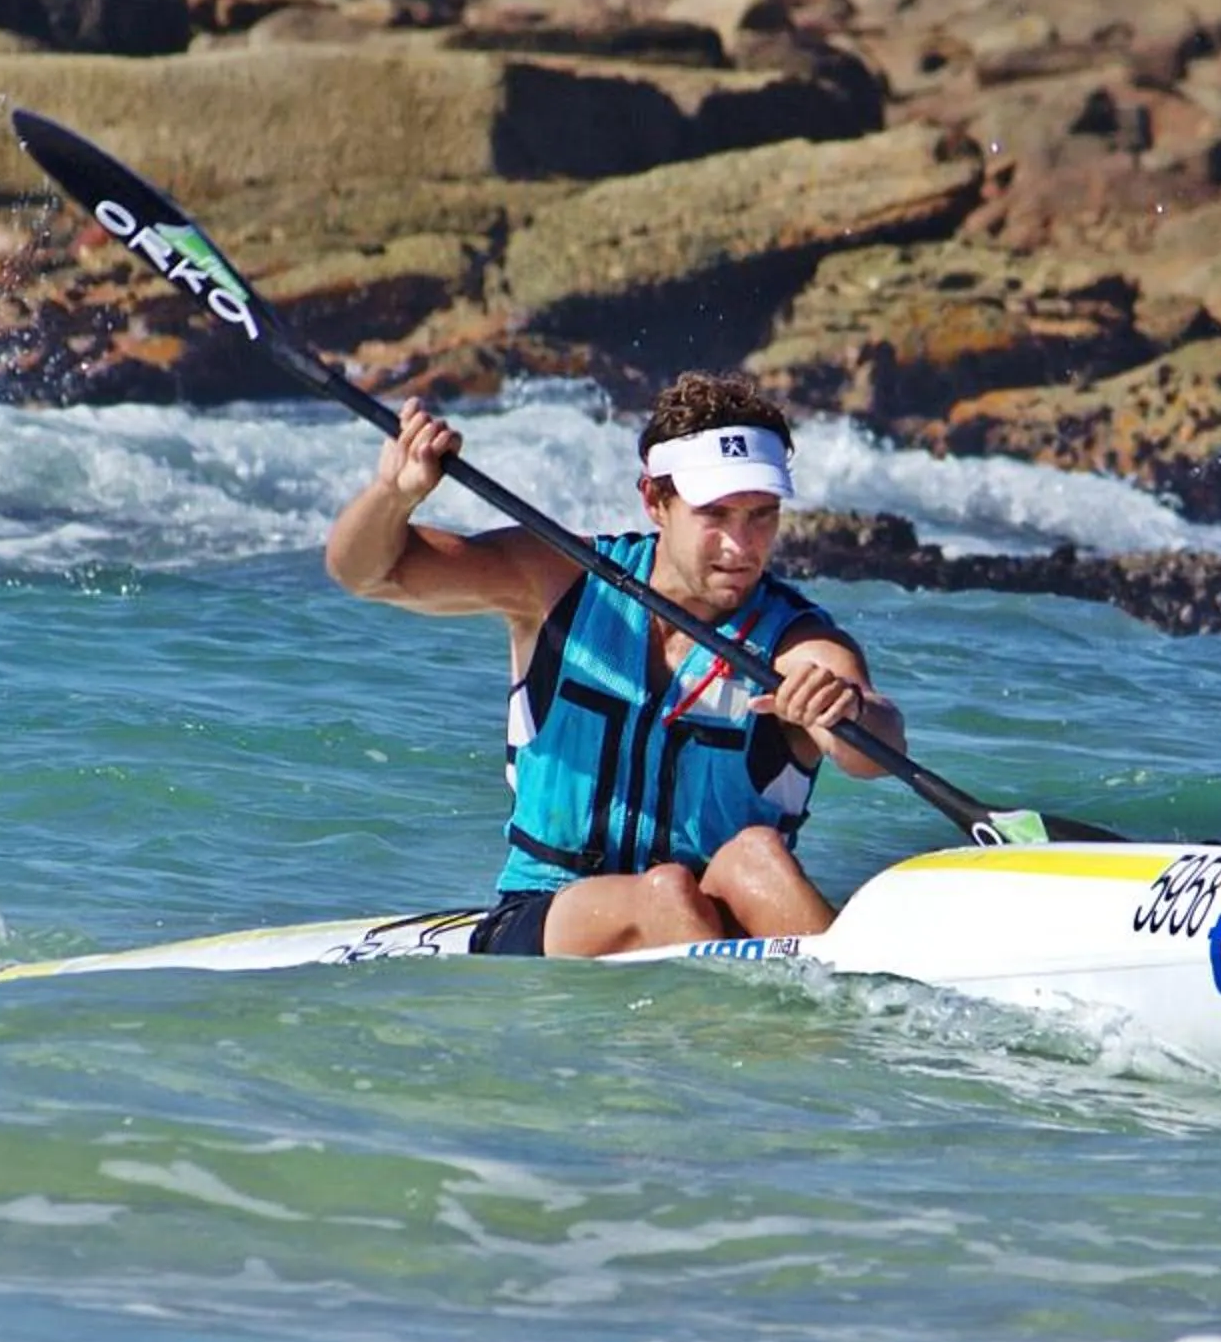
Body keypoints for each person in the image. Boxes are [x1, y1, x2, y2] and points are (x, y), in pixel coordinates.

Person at [323, 372, 905, 958]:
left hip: (716, 921)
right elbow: (367, 572)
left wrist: (845, 707)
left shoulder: (794, 639)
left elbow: (876, 747)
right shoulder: (555, 580)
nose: (741, 545)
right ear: (655, 500)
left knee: (757, 856)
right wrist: (392, 494)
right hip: (549, 910)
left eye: (761, 515)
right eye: (716, 515)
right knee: (666, 891)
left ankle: (851, 1014)